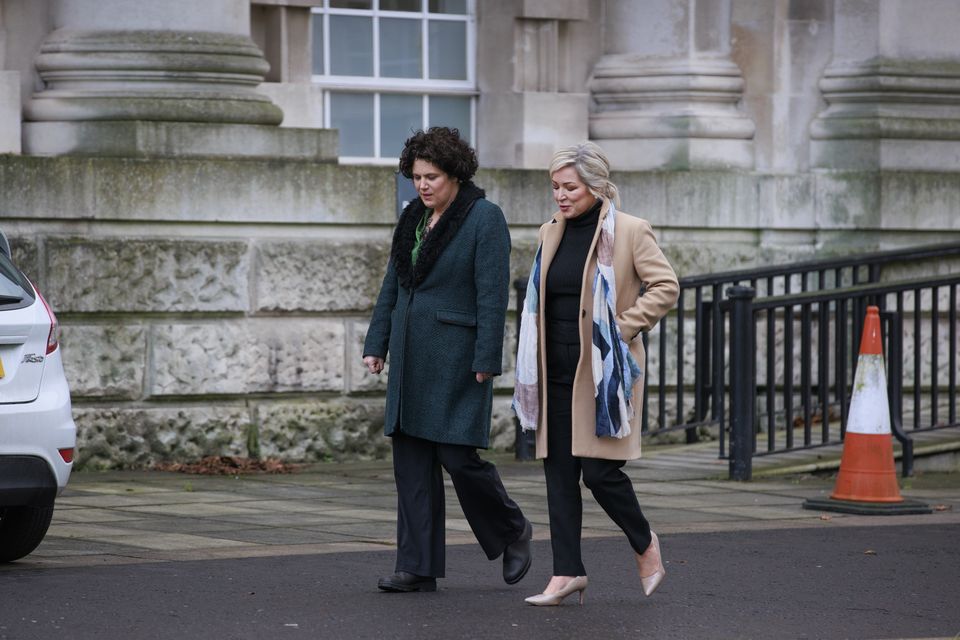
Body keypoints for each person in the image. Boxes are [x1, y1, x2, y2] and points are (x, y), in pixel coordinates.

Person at [362, 127, 532, 593]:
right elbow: (392, 287)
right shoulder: (412, 219)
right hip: (410, 359)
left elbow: (492, 295)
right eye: (416, 176)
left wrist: (486, 359)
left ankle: (512, 529)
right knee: (412, 462)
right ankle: (416, 566)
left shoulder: (484, 218)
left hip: (456, 358)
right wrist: (377, 343)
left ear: (455, 173)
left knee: (458, 457)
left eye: (431, 176)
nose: (422, 185)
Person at [513, 141, 679, 606]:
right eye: (555, 188)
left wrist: (621, 327)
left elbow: (665, 285)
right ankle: (567, 572)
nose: (561, 196)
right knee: (559, 473)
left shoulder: (629, 231)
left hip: (601, 374)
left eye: (570, 187)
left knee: (601, 473)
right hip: (556, 372)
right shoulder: (551, 232)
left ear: (596, 186)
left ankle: (645, 543)